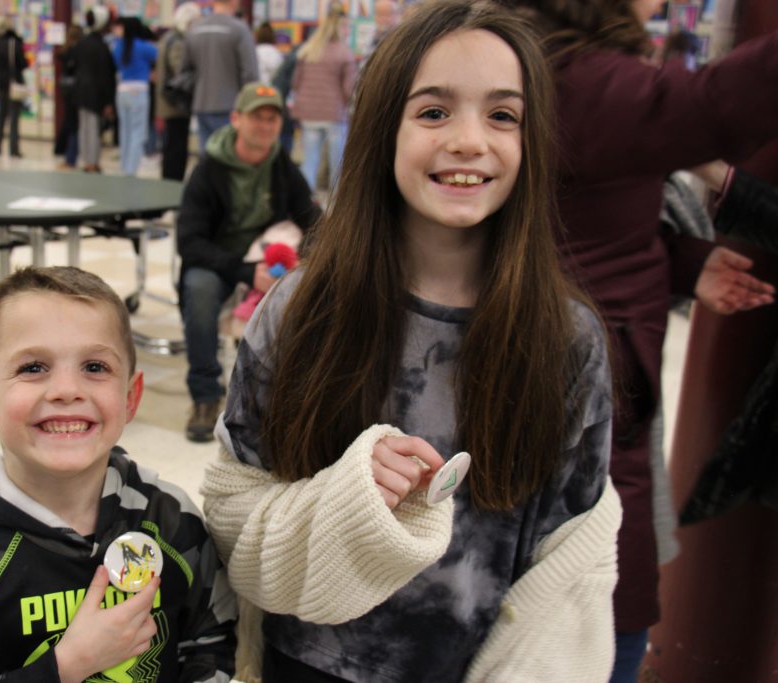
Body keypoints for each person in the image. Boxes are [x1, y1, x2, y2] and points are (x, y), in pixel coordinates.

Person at [198, 2, 625, 681]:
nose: (468, 140)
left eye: (502, 115)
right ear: (381, 131)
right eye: (433, 112)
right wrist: (344, 500)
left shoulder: (566, 342)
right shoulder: (300, 309)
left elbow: (568, 553)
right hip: (298, 662)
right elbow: (233, 510)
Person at [510, 1, 778, 680]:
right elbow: (718, 106)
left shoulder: (547, 61)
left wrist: (685, 262)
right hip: (589, 400)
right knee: (603, 610)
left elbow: (577, 229)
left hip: (591, 373)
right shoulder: (582, 78)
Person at [0, 266, 237, 681]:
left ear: (130, 398)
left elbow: (212, 642)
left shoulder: (169, 516)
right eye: (34, 367)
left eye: (94, 367)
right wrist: (65, 668)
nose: (67, 390)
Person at [177, 81, 319, 443]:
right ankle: (206, 395)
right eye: (258, 117)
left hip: (267, 261)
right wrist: (244, 273)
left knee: (312, 288)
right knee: (201, 289)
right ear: (236, 119)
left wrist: (322, 257)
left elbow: (313, 220)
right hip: (218, 262)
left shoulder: (281, 165)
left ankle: (282, 399)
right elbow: (189, 242)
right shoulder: (209, 170)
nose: (266, 125)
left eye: (273, 119)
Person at [289, 2, 356, 196]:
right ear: (341, 28)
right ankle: (336, 207)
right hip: (334, 115)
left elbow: (295, 83)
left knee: (310, 160)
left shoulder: (308, 51)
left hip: (308, 113)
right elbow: (349, 90)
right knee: (337, 165)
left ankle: (303, 203)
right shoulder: (344, 54)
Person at [182, 0, 258, 150]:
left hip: (201, 103)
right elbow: (250, 74)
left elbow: (185, 71)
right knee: (229, 156)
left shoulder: (195, 29)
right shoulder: (239, 29)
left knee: (207, 156)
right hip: (231, 105)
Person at [155, 1, 201, 181]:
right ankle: (172, 186)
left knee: (172, 147)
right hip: (175, 104)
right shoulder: (178, 41)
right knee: (176, 149)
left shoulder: (169, 37)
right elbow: (179, 70)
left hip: (170, 103)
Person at [112, 16, 157, 177]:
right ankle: (131, 171)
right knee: (138, 132)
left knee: (125, 131)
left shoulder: (118, 46)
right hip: (139, 92)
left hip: (122, 91)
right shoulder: (144, 47)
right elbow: (158, 55)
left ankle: (125, 166)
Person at [74, 7, 116, 173]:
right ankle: (92, 163)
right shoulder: (101, 47)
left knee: (84, 128)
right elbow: (106, 75)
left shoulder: (82, 43)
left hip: (80, 91)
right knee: (92, 128)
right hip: (95, 93)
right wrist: (108, 101)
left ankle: (87, 160)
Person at [0, 19, 27, 159]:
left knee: (1, 115)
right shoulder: (14, 44)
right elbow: (22, 63)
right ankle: (14, 149)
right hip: (13, 83)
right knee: (14, 117)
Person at [55, 23, 83, 169]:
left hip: (67, 91)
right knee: (75, 125)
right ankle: (71, 157)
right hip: (76, 92)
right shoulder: (77, 52)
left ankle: (69, 156)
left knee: (71, 124)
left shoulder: (65, 51)